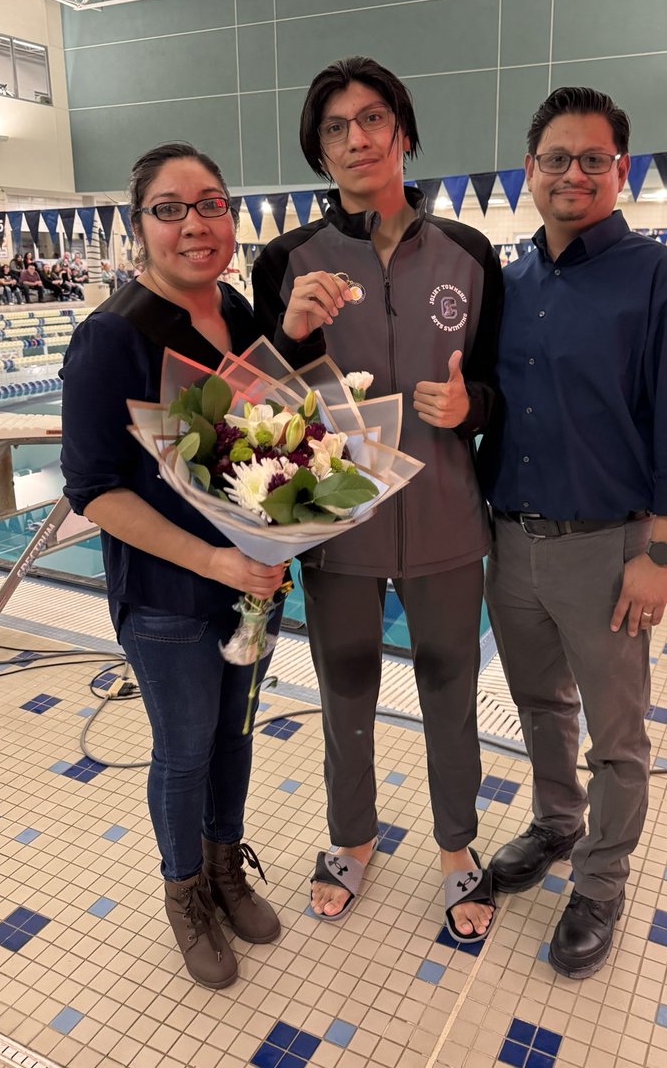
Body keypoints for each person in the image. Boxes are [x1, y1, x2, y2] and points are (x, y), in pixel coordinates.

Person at [253, 56, 503, 941]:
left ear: (402, 130)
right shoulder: (285, 261)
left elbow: (504, 391)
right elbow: (259, 413)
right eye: (334, 127)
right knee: (344, 688)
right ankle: (350, 841)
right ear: (319, 152)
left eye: (371, 119)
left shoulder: (469, 255)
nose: (356, 138)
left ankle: (456, 847)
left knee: (451, 685)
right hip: (339, 527)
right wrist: (288, 334)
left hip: (443, 519)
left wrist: (476, 407)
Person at [479, 86, 667, 979]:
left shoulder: (664, 285)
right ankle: (554, 823)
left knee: (618, 735)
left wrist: (660, 555)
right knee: (541, 705)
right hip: (512, 542)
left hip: (608, 546)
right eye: (555, 158)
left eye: (592, 159)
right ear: (530, 171)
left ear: (620, 169)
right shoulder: (510, 285)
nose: (572, 174)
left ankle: (600, 881)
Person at [60, 142, 285, 989]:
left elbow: (276, 446)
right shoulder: (110, 339)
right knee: (186, 747)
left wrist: (277, 539)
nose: (195, 223)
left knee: (235, 736)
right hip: (168, 593)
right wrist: (212, 560)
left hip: (251, 583)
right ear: (138, 225)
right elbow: (95, 493)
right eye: (170, 208)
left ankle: (225, 867)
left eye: (212, 204)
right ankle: (184, 892)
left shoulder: (237, 311)